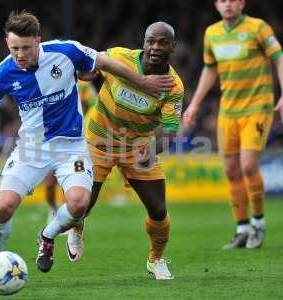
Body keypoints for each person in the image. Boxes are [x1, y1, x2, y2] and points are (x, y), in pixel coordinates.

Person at [0, 11, 175, 289]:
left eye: (26, 48)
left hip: (72, 145)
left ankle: (47, 236)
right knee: (4, 207)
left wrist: (143, 82)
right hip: (32, 148)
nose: (20, 55)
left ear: (38, 41)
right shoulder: (2, 73)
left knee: (78, 204)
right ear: (7, 42)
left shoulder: (66, 51)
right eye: (14, 48)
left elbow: (104, 61)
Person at [68, 21, 184, 280]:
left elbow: (169, 130)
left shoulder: (173, 86)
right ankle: (76, 228)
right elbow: (91, 66)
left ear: (172, 47)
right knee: (82, 206)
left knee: (158, 210)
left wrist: (153, 150)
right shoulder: (120, 57)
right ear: (144, 42)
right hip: (98, 140)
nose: (155, 47)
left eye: (162, 42)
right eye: (151, 41)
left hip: (138, 147)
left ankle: (156, 259)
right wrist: (89, 73)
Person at [183, 0, 283, 250]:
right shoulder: (211, 33)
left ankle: (258, 223)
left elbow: (279, 59)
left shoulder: (259, 28)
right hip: (228, 111)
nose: (228, 4)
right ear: (217, 5)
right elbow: (209, 69)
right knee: (231, 170)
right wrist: (195, 104)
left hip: (258, 106)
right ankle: (242, 228)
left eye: (233, 0)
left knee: (248, 165)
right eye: (223, 0)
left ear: (242, 3)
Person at [44, 80, 98, 226]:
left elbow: (95, 106)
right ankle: (52, 209)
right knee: (49, 184)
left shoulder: (84, 85)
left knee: (74, 183)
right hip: (52, 141)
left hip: (76, 142)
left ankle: (69, 217)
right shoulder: (52, 82)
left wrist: (84, 123)